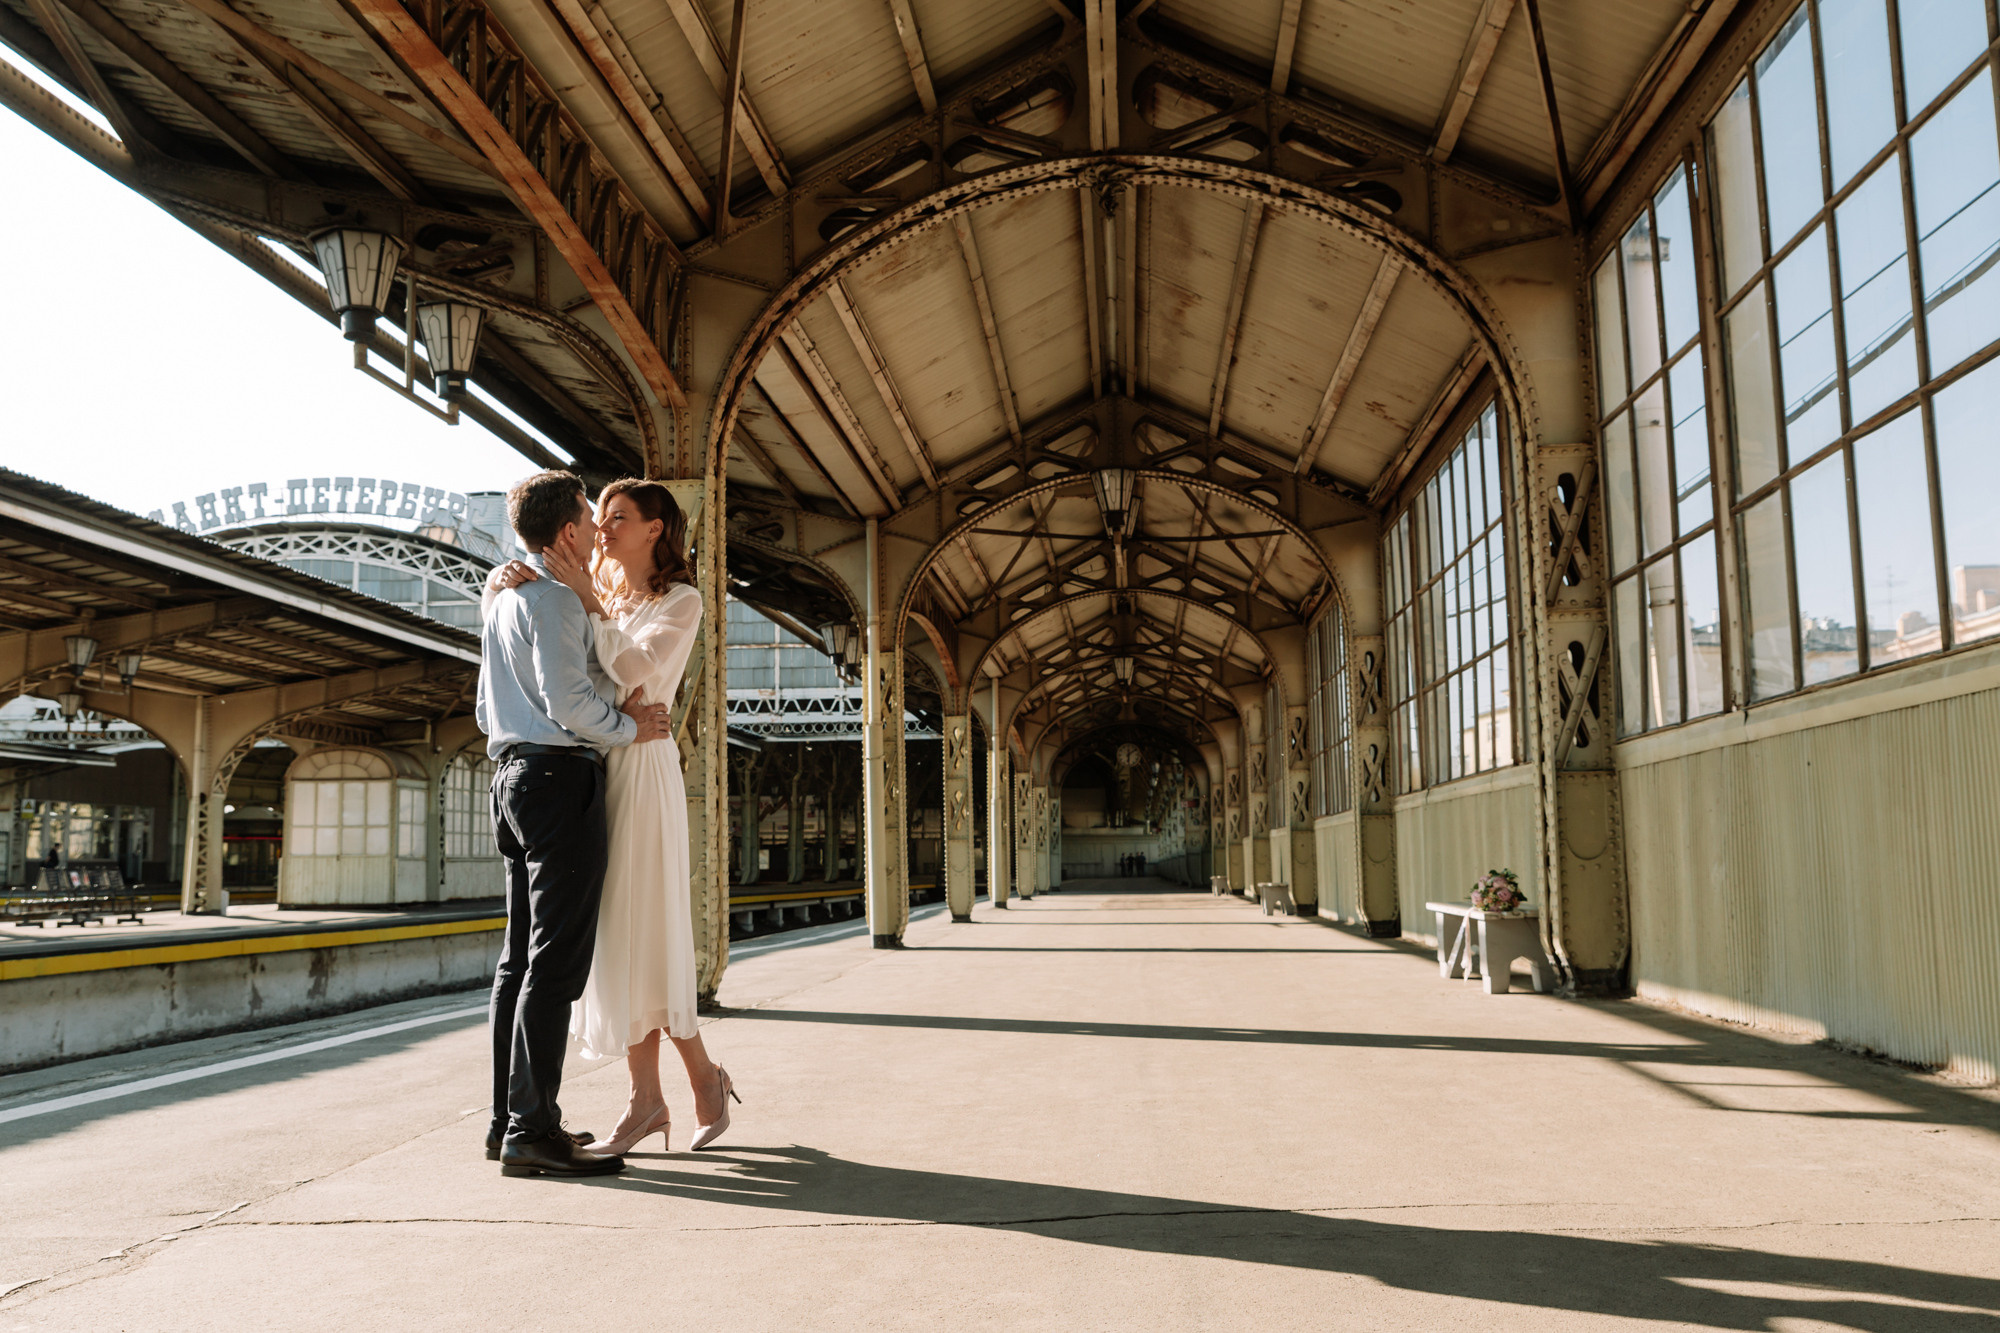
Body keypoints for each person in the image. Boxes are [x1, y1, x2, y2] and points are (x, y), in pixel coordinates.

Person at [487, 478, 741, 1157]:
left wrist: (594, 603)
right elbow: (552, 649)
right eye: (597, 516)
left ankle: (672, 1092)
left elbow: (638, 678)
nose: (601, 528)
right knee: (616, 941)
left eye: (619, 517)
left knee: (646, 931)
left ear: (656, 528)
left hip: (642, 764)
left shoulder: (679, 601)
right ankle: (663, 1094)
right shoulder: (584, 583)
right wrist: (502, 579)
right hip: (602, 762)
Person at [477, 470, 674, 1179]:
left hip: (508, 779)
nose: (597, 532)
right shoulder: (557, 601)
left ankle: (508, 1121)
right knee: (554, 963)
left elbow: (483, 709)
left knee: (516, 963)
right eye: (592, 522)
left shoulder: (501, 600)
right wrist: (628, 724)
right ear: (567, 532)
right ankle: (535, 1129)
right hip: (560, 780)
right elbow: (569, 703)